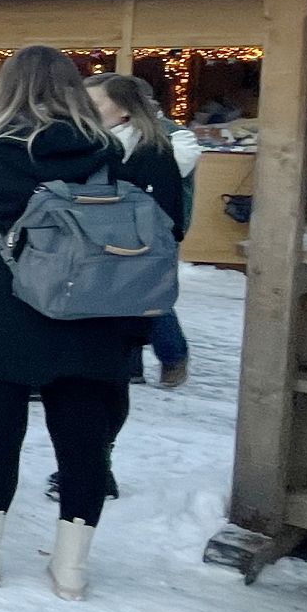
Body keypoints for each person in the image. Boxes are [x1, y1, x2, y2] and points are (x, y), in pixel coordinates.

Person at [0, 46, 183, 600]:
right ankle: (71, 568)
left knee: (0, 436)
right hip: (90, 309)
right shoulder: (104, 147)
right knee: (83, 443)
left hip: (4, 310)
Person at [87, 73, 198, 384]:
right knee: (124, 301)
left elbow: (166, 195)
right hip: (104, 241)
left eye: (94, 103)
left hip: (145, 240)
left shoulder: (162, 143)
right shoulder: (91, 140)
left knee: (146, 299)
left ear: (127, 107)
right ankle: (131, 368)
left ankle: (172, 355)